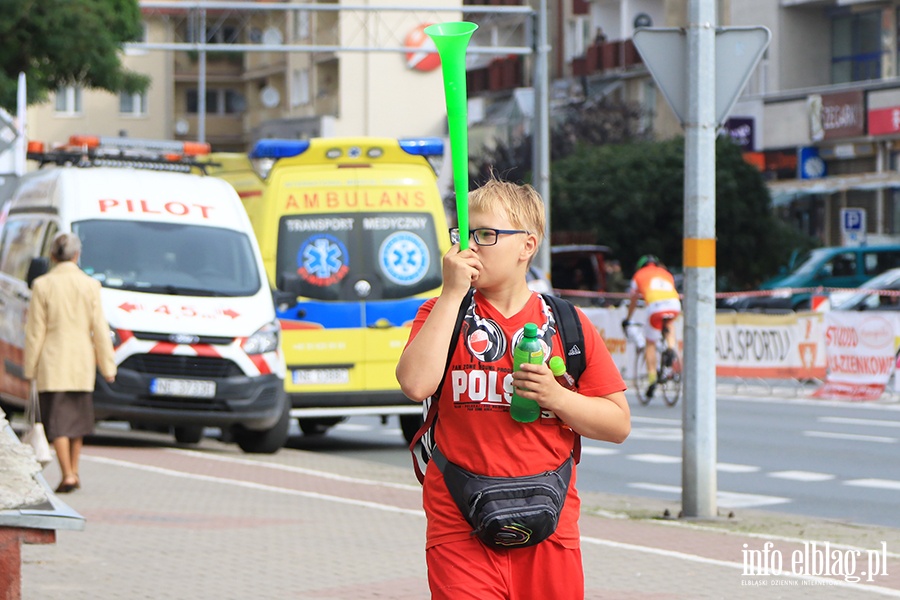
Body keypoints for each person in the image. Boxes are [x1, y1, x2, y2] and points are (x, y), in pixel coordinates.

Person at [396, 177, 630, 600]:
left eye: (486, 235)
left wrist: (557, 397)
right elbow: (414, 384)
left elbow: (617, 425)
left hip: (549, 525)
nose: (470, 246)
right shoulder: (440, 312)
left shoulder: (567, 324)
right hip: (459, 525)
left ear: (527, 245)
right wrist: (452, 295)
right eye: (463, 235)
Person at [24, 233, 116, 493]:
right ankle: (73, 470)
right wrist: (108, 366)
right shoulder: (90, 286)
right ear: (77, 256)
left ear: (52, 256)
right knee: (78, 422)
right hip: (81, 362)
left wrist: (29, 367)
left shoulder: (42, 285)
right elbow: (100, 328)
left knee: (57, 423)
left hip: (52, 361)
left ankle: (67, 474)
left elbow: (35, 332)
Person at [622, 254, 681, 398]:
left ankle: (652, 378)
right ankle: (671, 348)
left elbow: (633, 300)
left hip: (654, 306)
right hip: (674, 303)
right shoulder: (666, 273)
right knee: (669, 323)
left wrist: (628, 318)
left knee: (650, 343)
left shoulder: (638, 275)